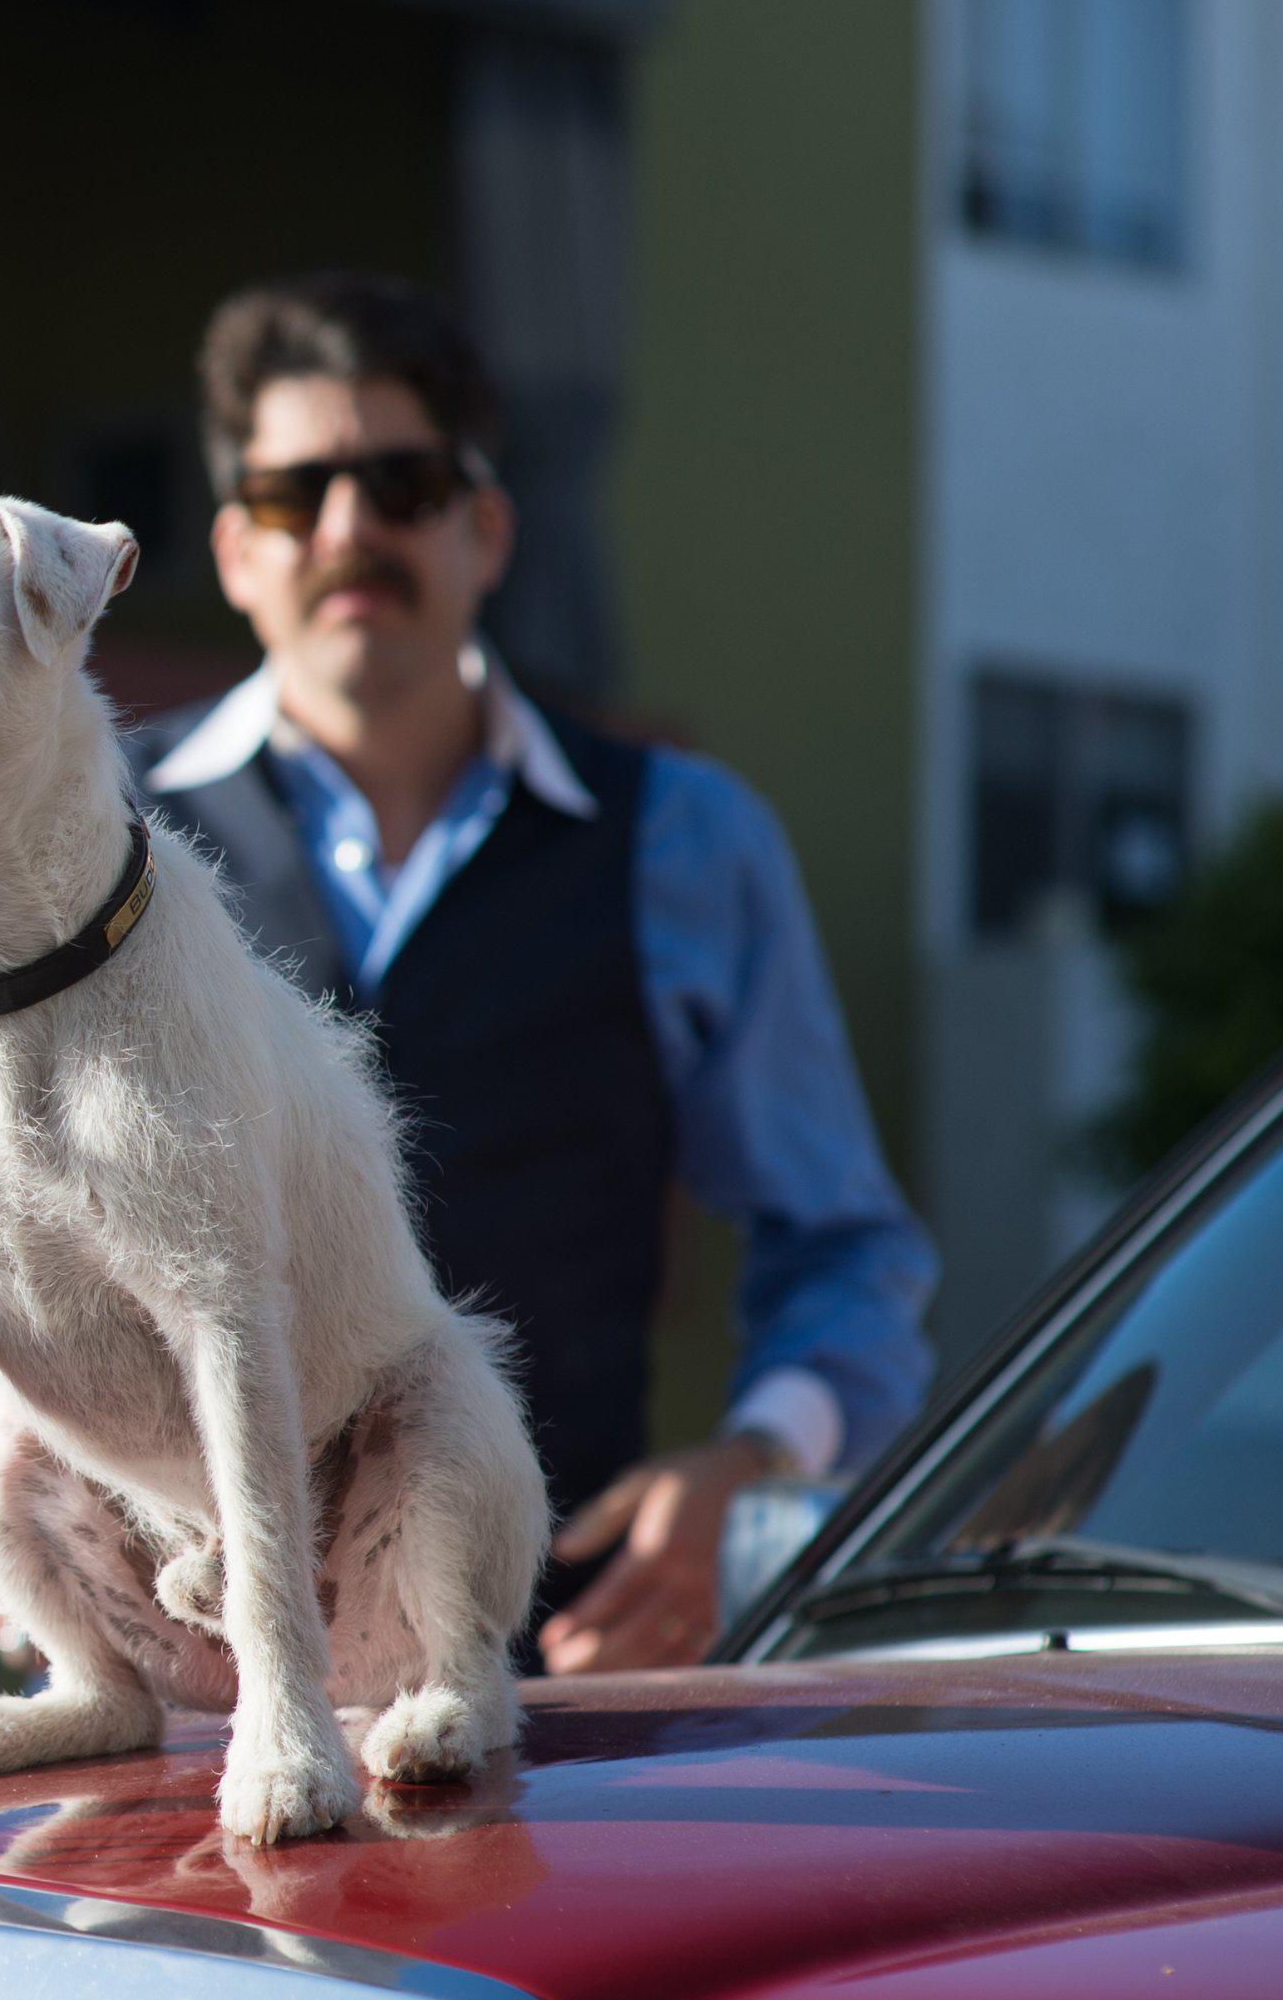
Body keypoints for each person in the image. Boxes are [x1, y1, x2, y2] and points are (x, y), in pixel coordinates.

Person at [126, 273, 936, 1674]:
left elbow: (845, 1246)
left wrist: (752, 1469)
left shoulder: (684, 839)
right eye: (292, 496)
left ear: (486, 526)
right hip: (185, 1678)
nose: (348, 531)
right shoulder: (101, 838)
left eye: (404, 482)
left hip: (547, 1677)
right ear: (235, 550)